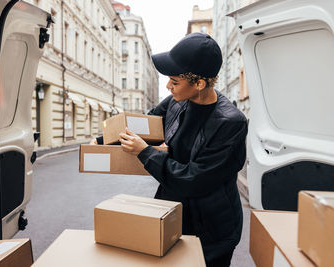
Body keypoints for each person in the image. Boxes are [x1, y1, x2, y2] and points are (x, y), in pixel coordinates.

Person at [93, 32, 247, 267]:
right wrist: (104, 140)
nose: (168, 86)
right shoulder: (177, 100)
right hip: (174, 212)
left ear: (199, 84)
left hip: (212, 229)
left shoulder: (230, 123)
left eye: (174, 82)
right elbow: (146, 123)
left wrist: (145, 152)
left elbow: (194, 179)